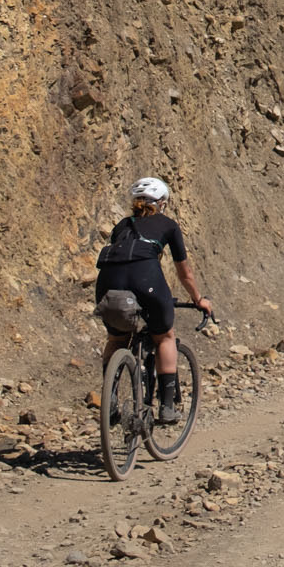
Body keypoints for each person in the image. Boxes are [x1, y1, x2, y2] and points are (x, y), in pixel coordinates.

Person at [94, 177, 212, 423]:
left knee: (117, 338)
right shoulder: (168, 225)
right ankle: (167, 407)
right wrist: (198, 299)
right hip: (145, 279)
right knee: (164, 336)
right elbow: (184, 273)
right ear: (162, 203)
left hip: (107, 283)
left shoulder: (122, 225)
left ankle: (111, 398)